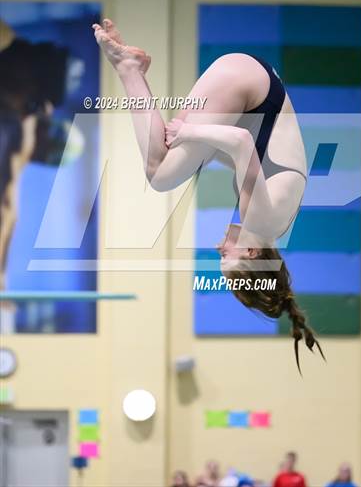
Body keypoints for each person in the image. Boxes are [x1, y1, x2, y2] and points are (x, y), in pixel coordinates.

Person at [93, 19, 325, 371]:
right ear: (251, 252)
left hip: (257, 87)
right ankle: (128, 68)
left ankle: (133, 70)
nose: (219, 247)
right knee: (160, 174)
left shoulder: (271, 221)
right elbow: (242, 142)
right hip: (252, 90)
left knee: (167, 155)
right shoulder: (262, 220)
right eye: (226, 257)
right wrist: (193, 132)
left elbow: (239, 153)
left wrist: (191, 140)